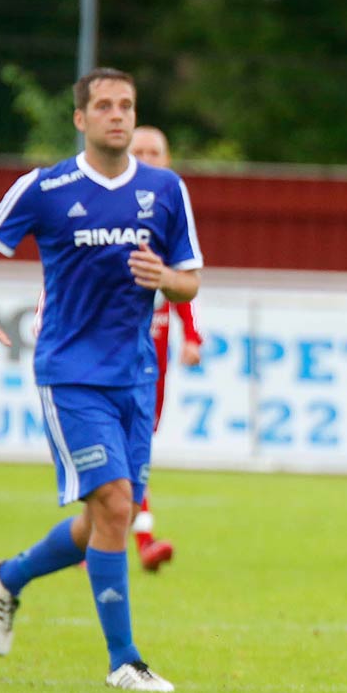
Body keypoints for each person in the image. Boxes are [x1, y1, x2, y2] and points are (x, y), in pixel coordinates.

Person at [0, 67, 203, 692]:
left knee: (105, 520)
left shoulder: (166, 189)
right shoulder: (47, 187)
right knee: (117, 504)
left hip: (135, 375)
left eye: (126, 104)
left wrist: (164, 278)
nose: (117, 115)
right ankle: (124, 660)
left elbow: (190, 280)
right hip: (69, 373)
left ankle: (7, 578)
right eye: (104, 105)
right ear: (81, 118)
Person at [125, 125, 205, 573]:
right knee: (120, 445)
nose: (149, 158)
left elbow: (181, 280)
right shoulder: (105, 208)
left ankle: (99, 538)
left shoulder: (171, 211)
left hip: (151, 358)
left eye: (156, 151)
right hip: (106, 353)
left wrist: (191, 336)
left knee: (136, 445)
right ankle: (144, 539)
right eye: (141, 151)